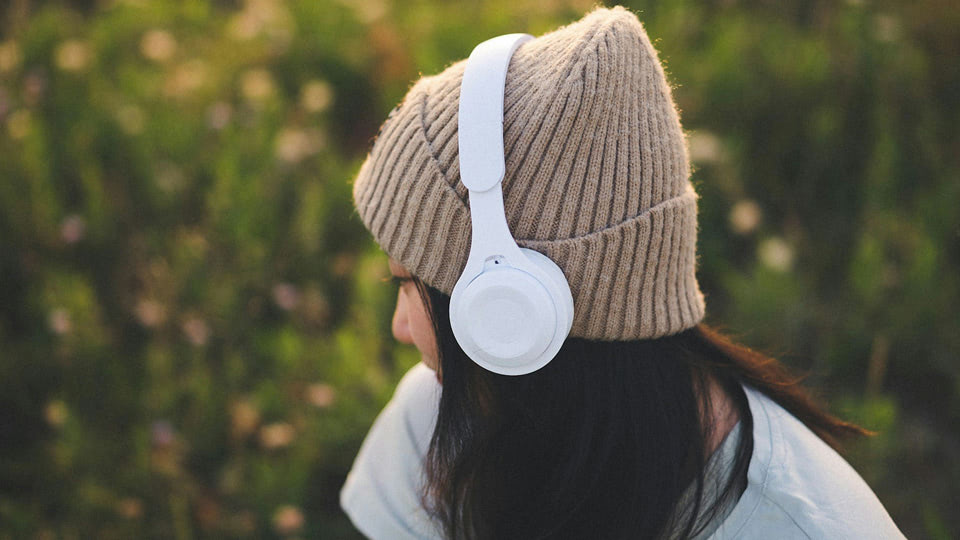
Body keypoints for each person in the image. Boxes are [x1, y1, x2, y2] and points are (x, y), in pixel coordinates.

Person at [340, 6, 905, 539]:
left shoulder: (805, 526)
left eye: (405, 285)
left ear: (510, 307)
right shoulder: (430, 428)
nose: (398, 328)